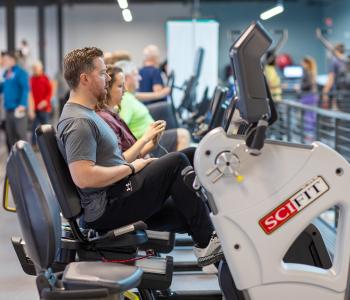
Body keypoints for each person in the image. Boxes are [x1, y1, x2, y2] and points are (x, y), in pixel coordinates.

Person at [57, 47, 222, 268]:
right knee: (176, 163)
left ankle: (214, 236)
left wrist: (138, 163)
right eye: (102, 73)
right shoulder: (79, 122)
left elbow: (107, 162)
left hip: (117, 192)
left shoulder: (86, 114)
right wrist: (133, 168)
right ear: (84, 78)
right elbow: (84, 178)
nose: (107, 78)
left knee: (189, 184)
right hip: (106, 207)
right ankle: (207, 242)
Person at [115, 60, 190, 156]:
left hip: (151, 138)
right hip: (146, 143)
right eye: (136, 75)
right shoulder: (125, 99)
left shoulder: (130, 95)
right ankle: (181, 168)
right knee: (183, 134)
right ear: (127, 78)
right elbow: (121, 130)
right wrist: (138, 150)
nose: (140, 78)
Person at [0, 51, 29, 152]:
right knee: (10, 136)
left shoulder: (21, 72)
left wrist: (22, 104)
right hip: (8, 110)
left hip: (18, 109)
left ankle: (26, 161)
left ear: (12, 60)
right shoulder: (6, 74)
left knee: (21, 136)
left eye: (6, 59)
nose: (4, 61)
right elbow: (2, 88)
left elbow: (25, 88)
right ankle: (14, 161)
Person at [29, 60, 53, 148]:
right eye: (33, 69)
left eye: (36, 69)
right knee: (34, 127)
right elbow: (29, 94)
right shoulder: (31, 79)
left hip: (44, 108)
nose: (34, 70)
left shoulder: (45, 78)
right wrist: (31, 108)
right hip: (34, 108)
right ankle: (34, 144)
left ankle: (47, 144)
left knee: (45, 127)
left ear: (40, 69)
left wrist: (45, 101)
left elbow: (50, 92)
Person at [322, 43, 348, 110]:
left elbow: (330, 80)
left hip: (340, 95)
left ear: (335, 51)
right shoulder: (346, 61)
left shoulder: (334, 61)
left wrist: (324, 93)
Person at [299, 56, 319, 141]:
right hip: (310, 96)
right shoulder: (311, 72)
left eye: (303, 63)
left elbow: (308, 84)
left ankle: (310, 135)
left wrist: (299, 87)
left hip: (308, 96)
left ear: (307, 63)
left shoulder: (307, 72)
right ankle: (310, 135)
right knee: (310, 116)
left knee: (309, 117)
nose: (302, 64)